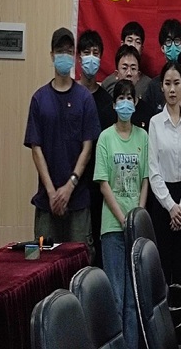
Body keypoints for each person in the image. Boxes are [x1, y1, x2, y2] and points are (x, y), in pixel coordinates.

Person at [24, 27, 100, 254]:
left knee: (80, 262)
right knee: (40, 263)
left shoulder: (84, 98)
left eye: (68, 51)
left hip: (78, 201)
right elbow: (35, 148)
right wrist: (51, 192)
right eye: (60, 51)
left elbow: (88, 147)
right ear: (51, 55)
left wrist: (69, 186)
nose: (64, 55)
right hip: (46, 202)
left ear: (74, 56)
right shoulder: (39, 99)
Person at [93, 79, 148, 349]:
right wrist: (123, 219)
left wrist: (137, 217)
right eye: (121, 98)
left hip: (135, 230)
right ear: (114, 105)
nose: (125, 103)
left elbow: (145, 180)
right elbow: (103, 184)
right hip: (113, 228)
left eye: (130, 98)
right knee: (116, 297)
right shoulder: (105, 137)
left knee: (133, 300)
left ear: (136, 103)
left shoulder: (143, 137)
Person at [148, 61, 181, 286]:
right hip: (162, 203)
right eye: (167, 84)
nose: (172, 89)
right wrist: (171, 207)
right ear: (161, 86)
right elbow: (153, 170)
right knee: (163, 267)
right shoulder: (155, 123)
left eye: (176, 83)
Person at [77, 29, 116, 268]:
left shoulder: (107, 101)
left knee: (99, 252)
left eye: (95, 52)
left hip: (101, 188)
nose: (91, 57)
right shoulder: (72, 95)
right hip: (76, 185)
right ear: (78, 57)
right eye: (86, 52)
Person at [143, 19, 181, 115]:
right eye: (168, 41)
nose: (173, 46)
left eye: (177, 41)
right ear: (163, 48)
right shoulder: (153, 86)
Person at [101, 21, 153, 100]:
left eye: (137, 42)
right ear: (122, 44)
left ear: (142, 48)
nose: (133, 45)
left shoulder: (149, 84)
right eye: (129, 40)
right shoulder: (108, 83)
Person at [112, 44, 155, 131]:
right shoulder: (106, 112)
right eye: (124, 68)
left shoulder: (148, 112)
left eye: (133, 68)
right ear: (116, 74)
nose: (129, 73)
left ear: (138, 75)